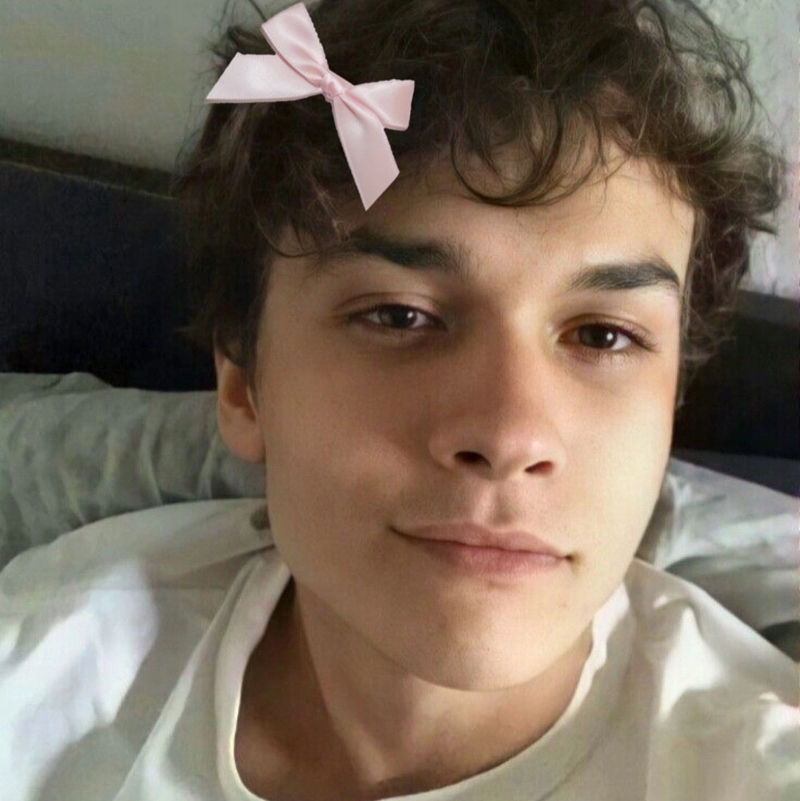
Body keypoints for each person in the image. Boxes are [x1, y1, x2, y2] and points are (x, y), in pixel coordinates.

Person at [0, 1, 797, 800]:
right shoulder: (40, 673)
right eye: (398, 316)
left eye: (604, 335)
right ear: (243, 384)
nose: (510, 434)